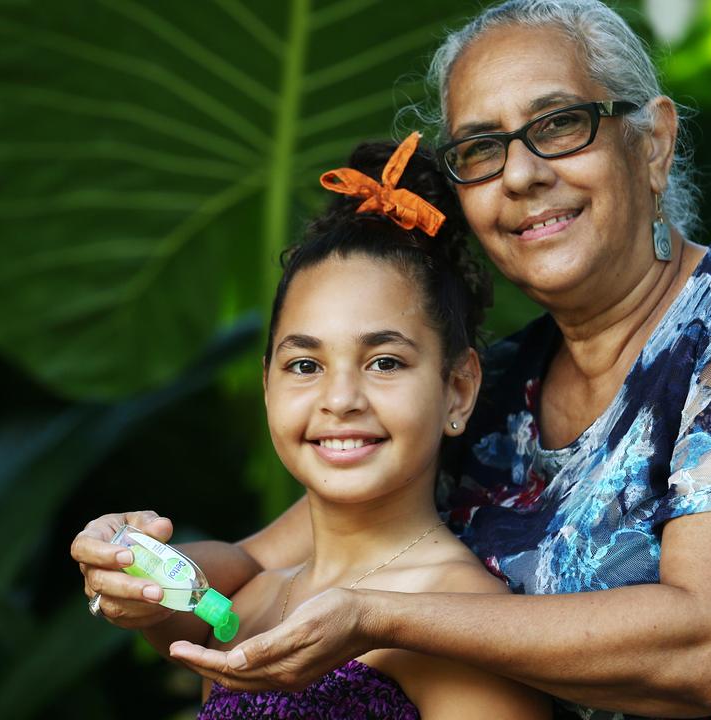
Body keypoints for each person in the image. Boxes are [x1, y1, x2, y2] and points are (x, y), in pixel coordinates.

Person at [72, 1, 711, 717]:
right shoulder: (501, 384)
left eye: (558, 125)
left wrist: (385, 617)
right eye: (480, 148)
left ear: (652, 143)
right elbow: (262, 564)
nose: (520, 173)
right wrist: (145, 571)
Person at [79, 134, 551, 718]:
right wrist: (125, 566)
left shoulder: (459, 617)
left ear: (457, 390)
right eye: (305, 365)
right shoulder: (250, 603)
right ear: (267, 386)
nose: (341, 398)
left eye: (384, 362)